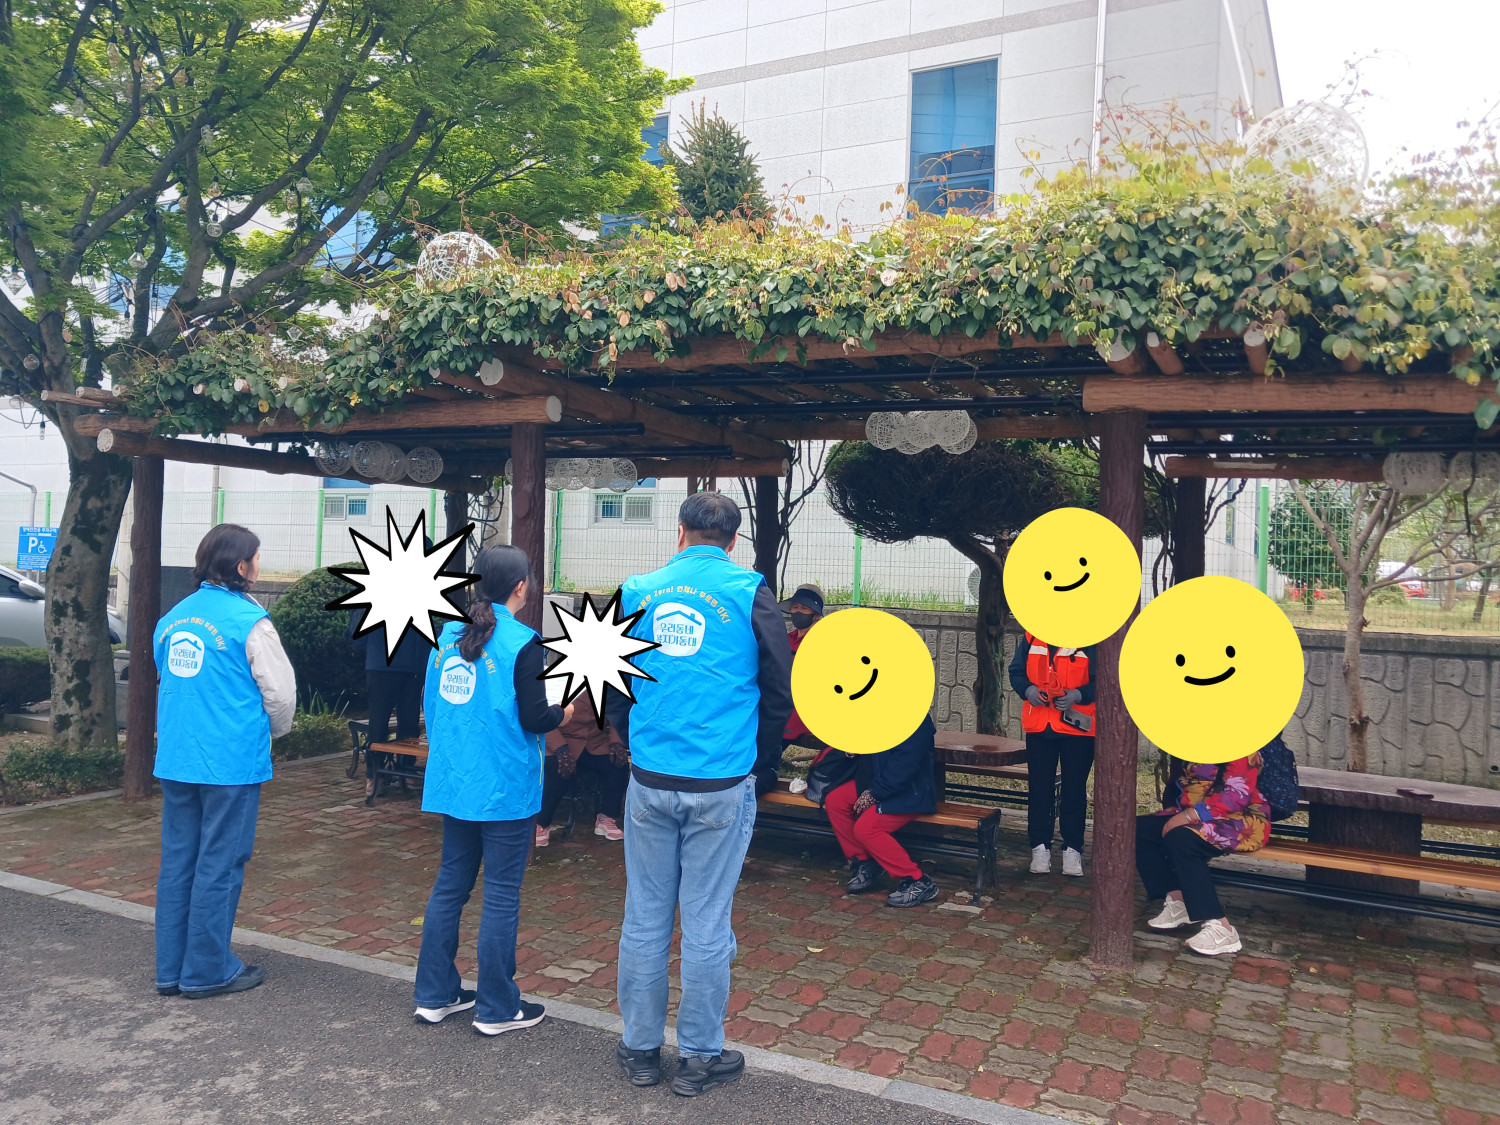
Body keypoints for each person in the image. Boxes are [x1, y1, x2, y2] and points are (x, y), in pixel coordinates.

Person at [608, 492, 793, 1097]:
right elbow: (778, 689)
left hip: (650, 778)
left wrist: (630, 740)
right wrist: (758, 761)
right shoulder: (749, 592)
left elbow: (613, 681)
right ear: (734, 541)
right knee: (707, 922)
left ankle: (640, 1050)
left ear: (681, 531)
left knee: (644, 916)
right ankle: (697, 1058)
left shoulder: (638, 589)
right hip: (721, 780)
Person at [412, 545, 573, 1036]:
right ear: (521, 586)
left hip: (455, 781)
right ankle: (498, 1008)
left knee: (450, 886)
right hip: (505, 787)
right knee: (501, 894)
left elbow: (432, 706)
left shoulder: (445, 636)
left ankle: (434, 995)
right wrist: (564, 713)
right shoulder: (523, 642)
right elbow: (535, 717)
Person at [153, 524, 295, 998]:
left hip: (177, 758)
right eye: (256, 557)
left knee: (178, 862)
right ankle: (207, 970)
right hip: (229, 762)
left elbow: (166, 674)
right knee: (220, 862)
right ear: (241, 566)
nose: (258, 564)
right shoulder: (250, 621)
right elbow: (280, 695)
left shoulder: (173, 618)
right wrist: (274, 733)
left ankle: (171, 969)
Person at [1135, 752, 1269, 956]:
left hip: (1241, 820)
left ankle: (1222, 928)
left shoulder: (1242, 747)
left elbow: (1235, 797)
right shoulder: (1198, 744)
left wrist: (1188, 816)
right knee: (1139, 829)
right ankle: (1179, 902)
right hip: (1197, 815)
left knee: (1182, 839)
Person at [820, 716, 940, 907]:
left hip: (909, 791)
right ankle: (866, 862)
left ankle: (917, 880)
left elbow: (904, 765)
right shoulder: (877, 710)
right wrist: (853, 745)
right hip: (875, 783)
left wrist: (875, 793)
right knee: (835, 801)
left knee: (867, 829)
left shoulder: (916, 719)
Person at [1007, 631, 1097, 877]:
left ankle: (1072, 849)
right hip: (1040, 728)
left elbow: (1102, 680)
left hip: (1077, 729)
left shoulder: (1089, 637)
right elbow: (1016, 671)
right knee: (1039, 790)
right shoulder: (1032, 637)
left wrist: (1078, 695)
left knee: (1074, 791)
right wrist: (1028, 691)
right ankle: (1039, 848)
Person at [349, 605, 433, 799]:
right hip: (384, 666)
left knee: (407, 724)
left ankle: (401, 769)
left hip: (407, 666)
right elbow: (357, 636)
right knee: (381, 724)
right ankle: (376, 774)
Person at [536, 693, 630, 846]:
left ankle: (606, 818)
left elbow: (616, 713)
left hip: (594, 742)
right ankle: (542, 824)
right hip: (563, 741)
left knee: (618, 764)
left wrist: (616, 742)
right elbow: (543, 718)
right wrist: (560, 748)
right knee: (556, 770)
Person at [780, 583, 826, 755]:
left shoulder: (822, 641)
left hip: (805, 707)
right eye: (795, 607)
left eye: (804, 608)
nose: (798, 612)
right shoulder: (785, 639)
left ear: (816, 615)